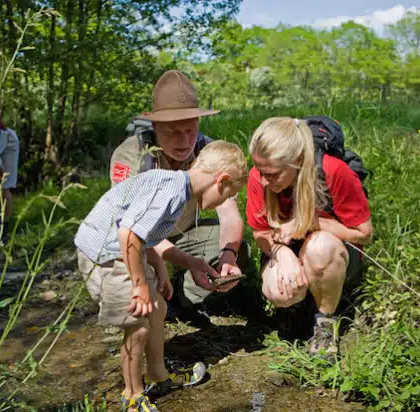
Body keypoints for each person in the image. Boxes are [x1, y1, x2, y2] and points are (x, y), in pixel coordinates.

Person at [75, 141, 248, 412]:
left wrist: (165, 267)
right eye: (227, 195)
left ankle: (159, 376)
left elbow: (148, 235)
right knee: (137, 325)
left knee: (158, 308)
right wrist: (140, 284)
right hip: (105, 254)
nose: (223, 203)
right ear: (220, 180)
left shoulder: (179, 188)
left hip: (126, 250)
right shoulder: (170, 191)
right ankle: (132, 395)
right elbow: (128, 234)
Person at [110, 70, 247, 322]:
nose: (184, 141)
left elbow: (229, 215)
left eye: (190, 130)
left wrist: (228, 254)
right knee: (135, 264)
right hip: (140, 240)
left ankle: (182, 299)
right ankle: (153, 296)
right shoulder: (133, 157)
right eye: (173, 132)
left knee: (236, 247)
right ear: (154, 126)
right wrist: (187, 261)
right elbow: (135, 231)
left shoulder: (209, 151)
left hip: (185, 233)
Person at [245, 117, 373, 360]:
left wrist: (312, 223)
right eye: (259, 171)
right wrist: (283, 255)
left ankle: (325, 322)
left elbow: (363, 234)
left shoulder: (334, 171)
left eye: (271, 174)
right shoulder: (260, 175)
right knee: (278, 291)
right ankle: (298, 311)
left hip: (332, 254)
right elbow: (260, 233)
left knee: (319, 247)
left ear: (297, 162)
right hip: (287, 249)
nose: (262, 180)